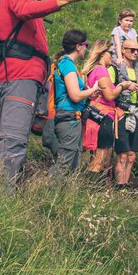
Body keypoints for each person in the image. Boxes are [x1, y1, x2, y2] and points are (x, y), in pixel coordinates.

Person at [0, 0, 97, 186]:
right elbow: (24, 8)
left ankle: (3, 199)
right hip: (19, 76)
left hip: (26, 79)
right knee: (14, 141)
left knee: (17, 141)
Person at [51, 30, 100, 176]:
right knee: (65, 162)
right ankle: (48, 193)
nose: (87, 48)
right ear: (78, 46)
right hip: (68, 117)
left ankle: (63, 196)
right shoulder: (67, 64)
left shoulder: (66, 63)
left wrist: (89, 93)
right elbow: (75, 95)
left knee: (72, 162)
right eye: (86, 45)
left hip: (71, 117)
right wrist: (93, 90)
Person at [83, 39, 122, 179]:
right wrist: (122, 86)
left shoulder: (92, 70)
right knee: (100, 159)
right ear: (102, 53)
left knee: (96, 158)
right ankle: (91, 189)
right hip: (103, 117)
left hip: (95, 116)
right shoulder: (101, 70)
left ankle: (88, 189)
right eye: (110, 53)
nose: (112, 56)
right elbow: (110, 95)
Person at [115, 38, 138, 188]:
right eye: (132, 50)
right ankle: (118, 186)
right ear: (123, 50)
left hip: (137, 110)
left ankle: (125, 185)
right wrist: (125, 86)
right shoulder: (117, 67)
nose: (135, 53)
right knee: (122, 155)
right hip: (122, 111)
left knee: (131, 156)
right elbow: (111, 88)